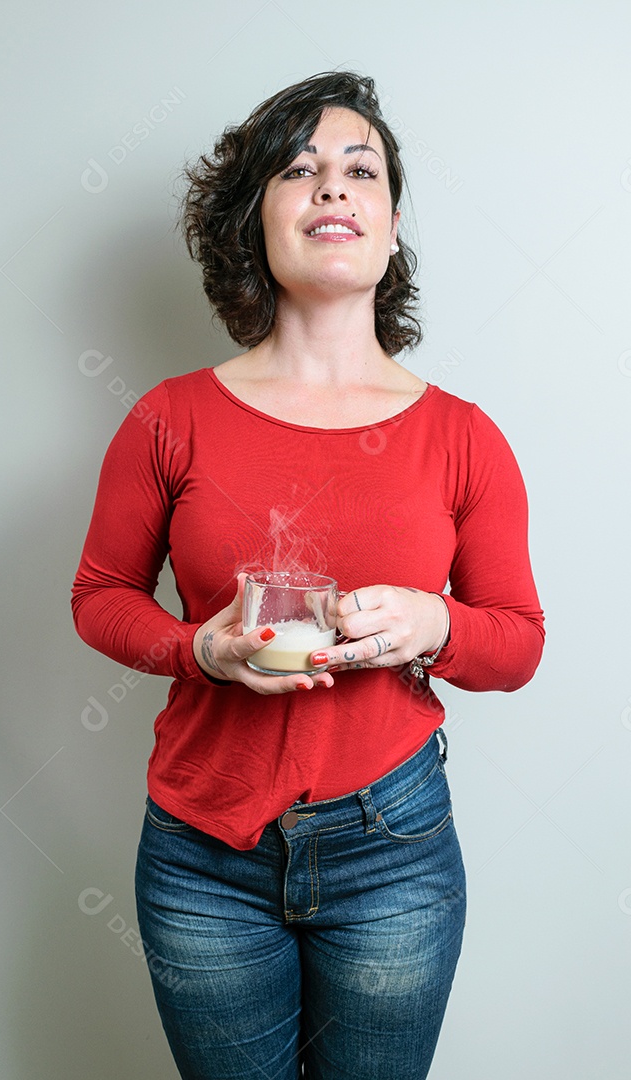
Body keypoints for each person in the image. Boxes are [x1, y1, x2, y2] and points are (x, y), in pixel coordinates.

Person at [71, 70, 545, 1080]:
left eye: (359, 168)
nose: (333, 186)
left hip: (396, 853)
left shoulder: (466, 439)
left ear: (389, 220)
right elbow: (100, 596)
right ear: (257, 219)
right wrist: (197, 646)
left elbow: (518, 641)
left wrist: (433, 622)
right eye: (300, 169)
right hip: (201, 855)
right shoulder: (167, 418)